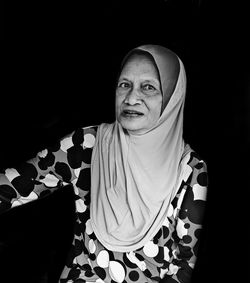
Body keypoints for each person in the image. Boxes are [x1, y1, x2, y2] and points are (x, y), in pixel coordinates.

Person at [0, 44, 208, 283]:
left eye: (148, 87)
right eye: (124, 84)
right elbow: (15, 186)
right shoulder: (88, 145)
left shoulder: (190, 169)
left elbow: (184, 265)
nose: (131, 98)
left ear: (172, 96)